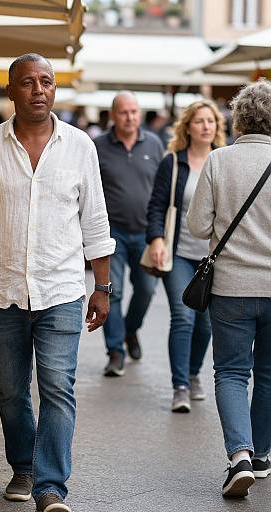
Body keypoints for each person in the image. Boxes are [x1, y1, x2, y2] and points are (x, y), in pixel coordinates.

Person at [0, 53, 115, 512]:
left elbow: (95, 222)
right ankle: (23, 465)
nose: (38, 90)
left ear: (54, 89)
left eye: (46, 81)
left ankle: (50, 487)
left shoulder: (80, 146)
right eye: (27, 82)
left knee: (58, 386)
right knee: (12, 390)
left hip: (62, 289)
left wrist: (103, 287)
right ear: (10, 92)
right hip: (2, 291)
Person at [187, 80, 271, 498]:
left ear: (238, 118)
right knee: (270, 375)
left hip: (232, 288)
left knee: (232, 373)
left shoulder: (220, 161)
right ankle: (260, 455)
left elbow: (198, 226)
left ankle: (239, 455)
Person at [146, 100, 226, 413]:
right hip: (177, 252)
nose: (206, 126)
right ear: (188, 127)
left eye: (211, 121)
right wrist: (155, 239)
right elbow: (155, 206)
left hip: (213, 256)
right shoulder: (173, 163)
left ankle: (193, 375)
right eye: (199, 121)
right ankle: (180, 385)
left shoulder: (223, 161)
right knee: (183, 317)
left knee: (205, 324)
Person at [94, 91, 164, 376]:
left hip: (148, 232)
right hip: (112, 232)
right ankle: (115, 351)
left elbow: (163, 188)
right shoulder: (97, 146)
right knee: (114, 291)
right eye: (123, 112)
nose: (130, 117)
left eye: (134, 111)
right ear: (113, 115)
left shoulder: (155, 144)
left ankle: (130, 330)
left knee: (146, 290)